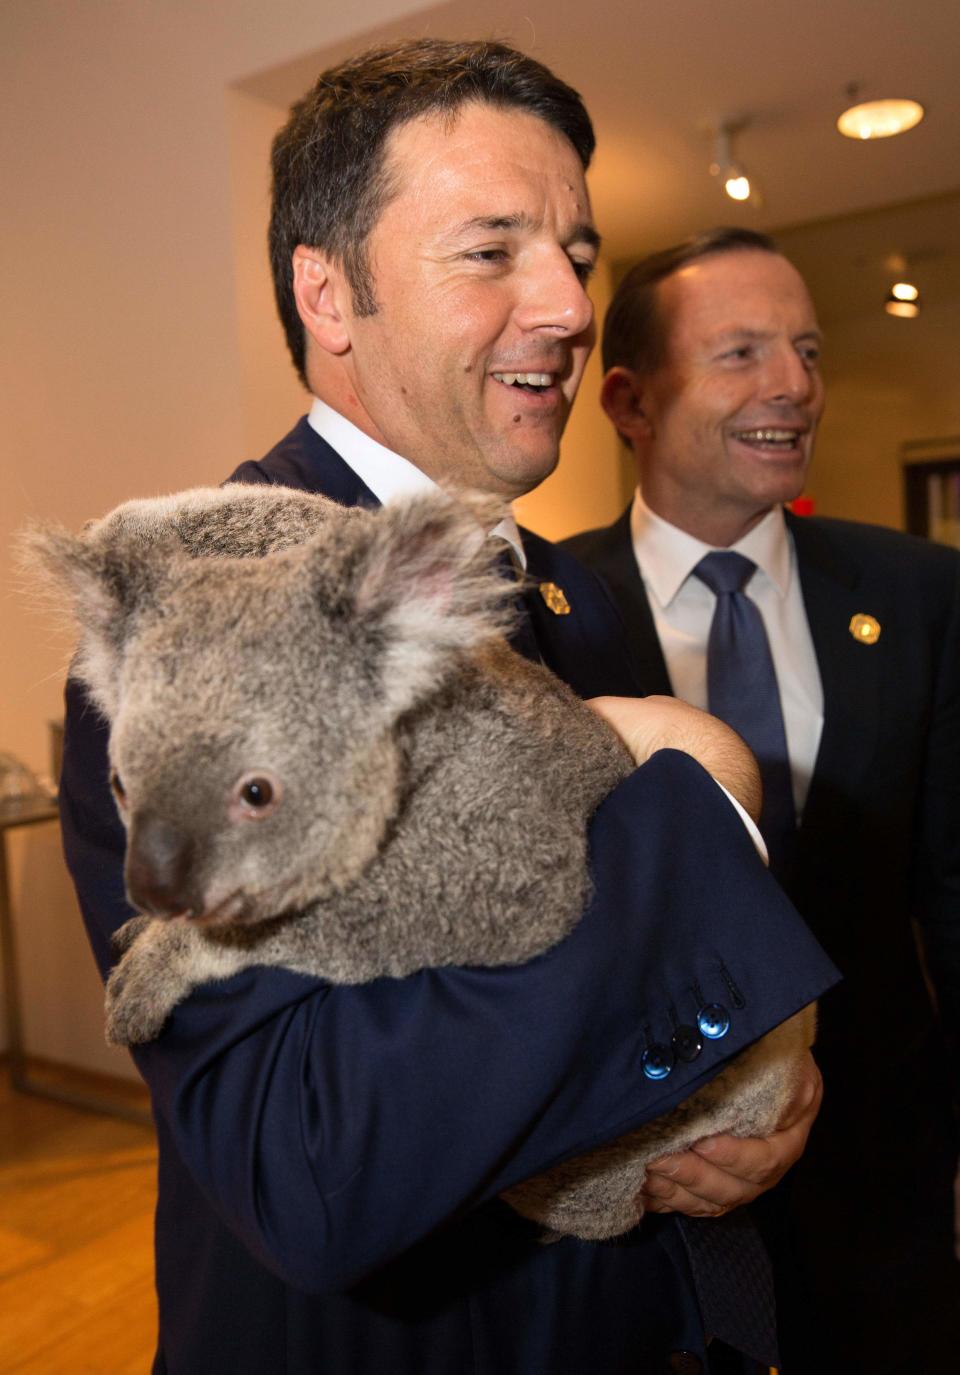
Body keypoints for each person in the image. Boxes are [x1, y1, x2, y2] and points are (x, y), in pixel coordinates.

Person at [58, 51, 837, 1375]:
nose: (569, 302)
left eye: (576, 251)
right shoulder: (198, 629)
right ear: (329, 292)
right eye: (492, 251)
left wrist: (743, 1082)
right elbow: (313, 1160)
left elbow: (612, 971)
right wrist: (702, 795)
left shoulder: (573, 591)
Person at [565, 226, 960, 1374]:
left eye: (806, 348)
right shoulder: (543, 611)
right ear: (630, 401)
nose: (794, 385)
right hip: (642, 1181)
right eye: (740, 353)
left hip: (882, 1176)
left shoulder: (923, 594)